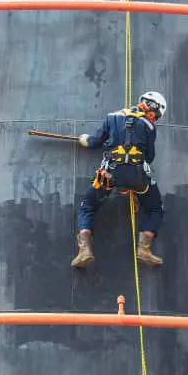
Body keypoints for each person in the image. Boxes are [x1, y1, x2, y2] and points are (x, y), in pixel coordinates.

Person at [71, 91, 167, 268]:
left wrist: (83, 139)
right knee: (155, 209)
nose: (154, 119)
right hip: (138, 178)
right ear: (152, 109)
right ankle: (144, 249)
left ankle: (84, 250)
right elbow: (149, 157)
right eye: (156, 115)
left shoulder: (112, 117)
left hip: (110, 174)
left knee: (88, 206)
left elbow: (94, 142)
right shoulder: (149, 127)